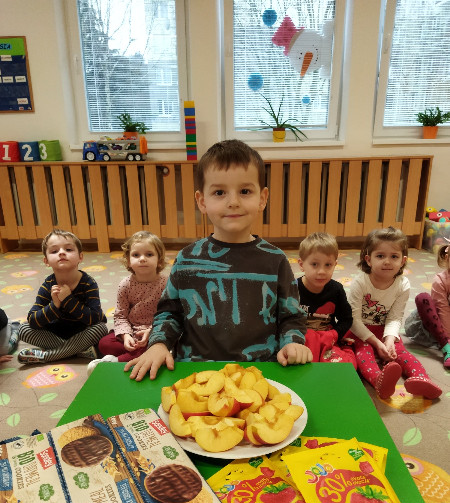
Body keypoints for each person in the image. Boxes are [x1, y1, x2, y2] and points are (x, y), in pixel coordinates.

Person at [125, 138, 312, 381]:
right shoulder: (187, 258)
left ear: (262, 198)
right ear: (202, 201)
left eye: (245, 191)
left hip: (259, 372)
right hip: (195, 372)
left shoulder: (275, 260)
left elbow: (291, 317)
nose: (233, 202)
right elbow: (169, 312)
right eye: (219, 192)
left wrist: (292, 342)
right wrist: (159, 344)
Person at [348, 226, 441, 400]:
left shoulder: (403, 284)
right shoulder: (360, 283)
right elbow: (353, 320)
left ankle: (421, 378)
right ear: (368, 259)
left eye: (394, 256)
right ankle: (378, 381)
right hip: (360, 330)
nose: (387, 262)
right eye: (380, 256)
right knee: (363, 354)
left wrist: (389, 339)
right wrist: (377, 343)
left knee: (401, 352)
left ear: (403, 261)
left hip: (385, 329)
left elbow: (395, 317)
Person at [18, 229, 108, 364]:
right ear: (46, 261)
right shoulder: (47, 285)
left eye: (68, 249)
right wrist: (54, 305)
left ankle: (48, 356)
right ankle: (77, 351)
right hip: (55, 333)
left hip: (82, 332)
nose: (61, 252)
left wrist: (68, 300)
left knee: (101, 328)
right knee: (23, 329)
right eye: (54, 251)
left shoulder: (89, 283)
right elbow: (32, 320)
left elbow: (94, 318)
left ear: (80, 257)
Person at [87, 231, 168, 373]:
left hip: (155, 332)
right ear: (129, 260)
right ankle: (134, 356)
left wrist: (151, 331)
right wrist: (126, 336)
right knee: (104, 343)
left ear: (159, 260)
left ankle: (115, 362)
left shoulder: (166, 284)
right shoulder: (125, 284)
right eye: (136, 255)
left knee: (157, 346)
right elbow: (120, 315)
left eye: (149, 254)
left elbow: (169, 313)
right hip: (132, 331)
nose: (142, 259)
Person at [297, 232, 356, 366]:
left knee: (343, 364)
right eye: (314, 264)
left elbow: (346, 319)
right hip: (300, 339)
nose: (322, 271)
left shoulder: (336, 289)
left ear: (335, 264)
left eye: (328, 265)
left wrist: (335, 334)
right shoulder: (293, 288)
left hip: (327, 340)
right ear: (301, 264)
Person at [404, 241, 450, 367]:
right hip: (434, 329)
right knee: (423, 298)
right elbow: (443, 310)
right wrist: (447, 339)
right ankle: (446, 346)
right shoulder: (440, 280)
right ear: (447, 258)